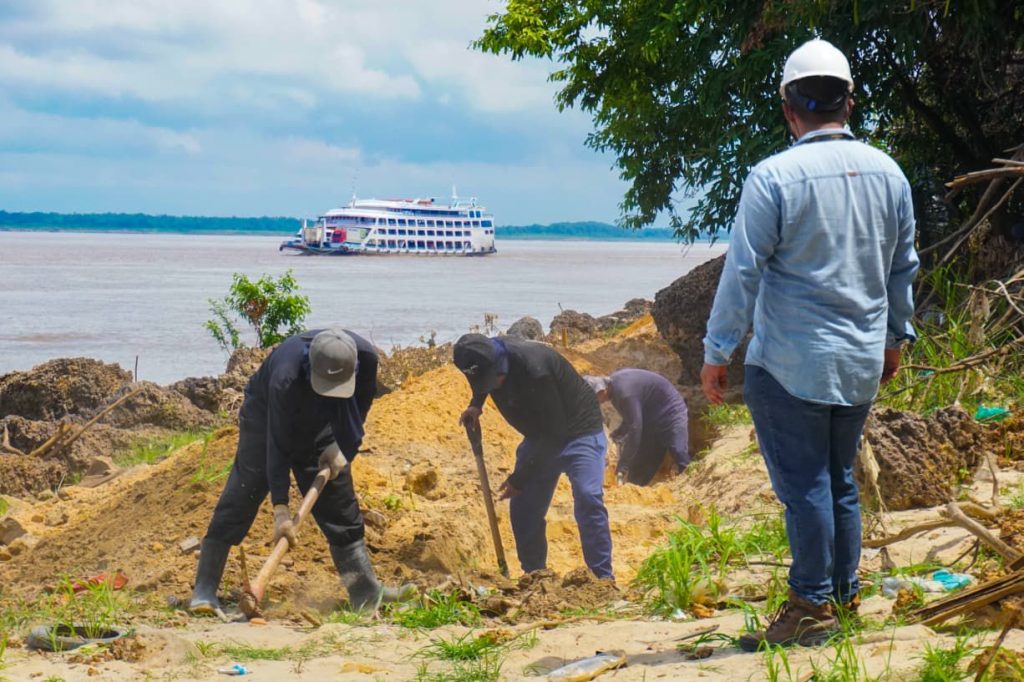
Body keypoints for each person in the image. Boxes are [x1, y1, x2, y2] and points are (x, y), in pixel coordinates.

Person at [700, 38, 919, 651]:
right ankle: (844, 599)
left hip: (789, 364)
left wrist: (717, 352)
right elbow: (903, 268)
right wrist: (894, 340)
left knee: (805, 488)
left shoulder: (773, 177)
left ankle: (810, 605)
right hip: (859, 360)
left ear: (788, 108)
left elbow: (743, 272)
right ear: (849, 102)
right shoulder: (890, 174)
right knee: (838, 480)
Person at [189, 327, 413, 614]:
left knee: (338, 499)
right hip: (265, 417)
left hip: (322, 418)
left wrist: (344, 446)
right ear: (311, 367)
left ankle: (365, 591)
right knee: (245, 489)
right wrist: (281, 509)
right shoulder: (285, 376)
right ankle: (205, 589)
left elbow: (362, 404)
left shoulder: (366, 357)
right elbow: (277, 446)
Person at [453, 333, 613, 579]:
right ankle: (535, 576)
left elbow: (555, 435)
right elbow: (480, 379)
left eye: (494, 378)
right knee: (524, 506)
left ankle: (602, 579)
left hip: (578, 430)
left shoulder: (535, 368)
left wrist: (519, 479)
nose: (495, 385)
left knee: (587, 496)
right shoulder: (482, 354)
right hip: (541, 434)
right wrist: (476, 404)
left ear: (500, 363)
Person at [583, 370, 689, 486]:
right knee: (639, 470)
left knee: (678, 451)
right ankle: (633, 489)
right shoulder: (615, 389)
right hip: (650, 421)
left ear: (600, 390)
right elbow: (631, 416)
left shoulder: (624, 393)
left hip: (671, 413)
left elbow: (635, 428)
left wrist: (623, 465)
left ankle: (689, 486)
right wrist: (620, 432)